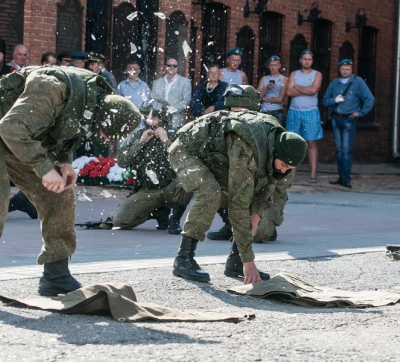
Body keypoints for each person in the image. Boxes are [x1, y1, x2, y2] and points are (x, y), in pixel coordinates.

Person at [0, 66, 142, 310]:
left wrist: (64, 162)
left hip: (24, 136)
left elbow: (65, 127)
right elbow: (10, 128)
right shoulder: (50, 88)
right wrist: (44, 168)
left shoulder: (92, 100)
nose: (103, 139)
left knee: (60, 194)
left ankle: (56, 275)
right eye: (105, 134)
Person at [167, 92, 307, 285]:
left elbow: (268, 190)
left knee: (251, 198)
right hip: (187, 149)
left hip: (216, 156)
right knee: (210, 193)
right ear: (277, 153)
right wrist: (250, 261)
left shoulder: (282, 151)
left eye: (289, 169)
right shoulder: (247, 147)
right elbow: (238, 203)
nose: (284, 171)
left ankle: (235, 262)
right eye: (283, 165)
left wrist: (256, 217)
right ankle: (183, 259)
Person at [207, 85, 287, 247]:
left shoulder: (270, 129)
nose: (235, 114)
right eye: (232, 109)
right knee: (209, 183)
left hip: (266, 192)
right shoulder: (227, 126)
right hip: (242, 186)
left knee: (256, 234)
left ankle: (269, 223)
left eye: (240, 109)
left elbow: (281, 179)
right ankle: (231, 224)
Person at [113, 99, 191, 234]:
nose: (150, 121)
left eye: (154, 118)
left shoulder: (176, 135)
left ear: (163, 118)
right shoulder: (139, 135)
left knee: (188, 177)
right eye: (148, 117)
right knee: (121, 220)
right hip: (147, 191)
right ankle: (154, 212)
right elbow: (122, 161)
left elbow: (184, 161)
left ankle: (174, 220)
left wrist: (166, 142)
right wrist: (140, 142)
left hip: (169, 188)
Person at [323, 59, 375, 189]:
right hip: (336, 118)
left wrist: (361, 113)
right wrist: (334, 100)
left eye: (348, 69)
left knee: (346, 150)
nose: (345, 71)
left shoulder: (357, 82)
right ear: (339, 69)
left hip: (349, 119)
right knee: (339, 150)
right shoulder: (335, 84)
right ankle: (341, 177)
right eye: (343, 69)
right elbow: (325, 100)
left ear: (351, 69)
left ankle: (346, 179)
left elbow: (370, 99)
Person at [286, 49, 323, 183]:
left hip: (311, 111)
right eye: (305, 59)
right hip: (294, 111)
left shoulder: (317, 74)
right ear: (300, 60)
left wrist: (297, 86)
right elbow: (289, 92)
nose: (307, 61)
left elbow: (314, 90)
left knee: (311, 143)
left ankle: (313, 175)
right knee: (294, 143)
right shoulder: (294, 74)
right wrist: (306, 90)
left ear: (312, 61)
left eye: (309, 59)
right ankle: (293, 174)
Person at [151, 57, 192, 130]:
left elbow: (187, 100)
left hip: (175, 120)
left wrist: (173, 109)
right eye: (169, 65)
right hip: (158, 121)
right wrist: (158, 114)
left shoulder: (185, 82)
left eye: (174, 66)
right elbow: (153, 100)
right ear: (165, 67)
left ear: (177, 68)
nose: (172, 67)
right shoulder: (156, 83)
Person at [257, 55, 288, 124]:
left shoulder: (284, 79)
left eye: (275, 65)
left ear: (279, 66)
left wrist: (264, 99)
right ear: (268, 66)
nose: (273, 67)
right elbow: (257, 95)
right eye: (271, 65)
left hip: (277, 111)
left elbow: (280, 99)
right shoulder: (264, 78)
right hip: (264, 111)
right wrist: (267, 88)